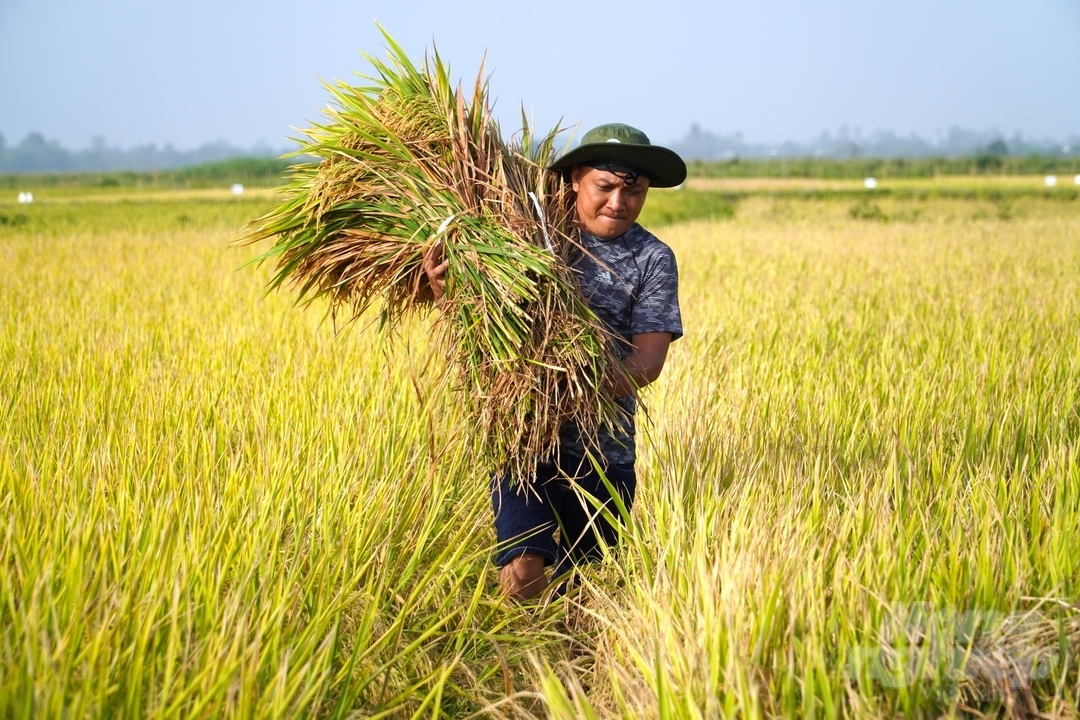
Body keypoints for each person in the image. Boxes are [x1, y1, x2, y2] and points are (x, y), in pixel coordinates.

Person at [424, 123, 686, 601]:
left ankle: (577, 668)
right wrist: (446, 292)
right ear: (574, 179)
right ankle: (519, 666)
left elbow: (648, 361)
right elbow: (480, 332)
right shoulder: (524, 238)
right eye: (604, 186)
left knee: (589, 588)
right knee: (522, 573)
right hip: (522, 443)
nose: (618, 202)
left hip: (604, 453)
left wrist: (565, 389)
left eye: (634, 191)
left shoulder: (652, 258)